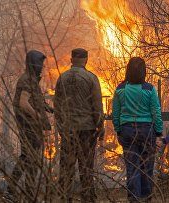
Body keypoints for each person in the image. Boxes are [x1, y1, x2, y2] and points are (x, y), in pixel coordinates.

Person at [53, 48, 104, 203]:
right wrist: (100, 127)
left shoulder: (62, 78)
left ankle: (64, 198)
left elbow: (57, 105)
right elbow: (97, 106)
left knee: (66, 169)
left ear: (71, 59)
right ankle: (88, 199)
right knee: (86, 168)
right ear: (86, 59)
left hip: (68, 130)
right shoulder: (91, 78)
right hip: (87, 130)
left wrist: (61, 127)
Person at [112, 57, 163, 202]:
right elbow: (156, 113)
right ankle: (146, 199)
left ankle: (134, 200)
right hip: (147, 132)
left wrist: (118, 130)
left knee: (132, 168)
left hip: (127, 131)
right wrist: (158, 132)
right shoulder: (149, 89)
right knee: (147, 169)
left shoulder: (120, 89)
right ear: (143, 71)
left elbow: (115, 113)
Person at [4, 50, 52, 203]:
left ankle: (28, 192)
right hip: (29, 126)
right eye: (41, 64)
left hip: (31, 126)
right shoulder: (27, 80)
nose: (42, 68)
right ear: (35, 64)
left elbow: (34, 100)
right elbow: (23, 103)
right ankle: (12, 191)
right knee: (27, 158)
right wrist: (37, 116)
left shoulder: (31, 79)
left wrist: (48, 108)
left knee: (30, 158)